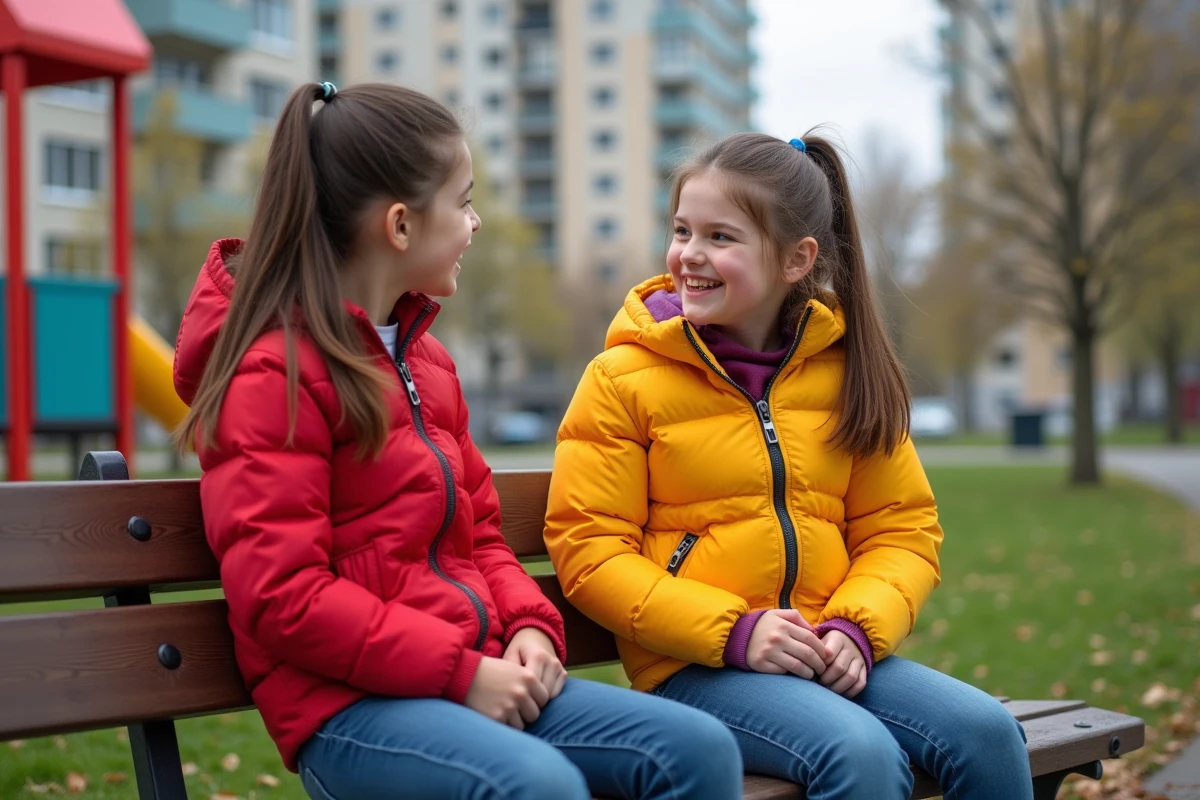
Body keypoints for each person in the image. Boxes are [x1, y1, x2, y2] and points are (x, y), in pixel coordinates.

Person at [173, 81, 743, 800]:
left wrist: (529, 627)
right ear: (402, 226)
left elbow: (478, 536)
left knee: (695, 750)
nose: (475, 224)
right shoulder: (273, 374)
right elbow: (284, 597)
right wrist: (462, 672)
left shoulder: (426, 362)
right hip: (349, 711)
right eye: (464, 201)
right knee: (538, 787)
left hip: (472, 672)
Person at [543, 131, 1033, 800]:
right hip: (697, 664)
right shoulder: (623, 380)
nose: (689, 255)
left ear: (796, 259)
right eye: (683, 230)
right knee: (859, 754)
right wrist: (736, 631)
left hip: (829, 651)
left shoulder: (845, 374)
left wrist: (855, 627)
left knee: (987, 732)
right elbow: (590, 550)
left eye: (721, 237)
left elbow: (903, 531)